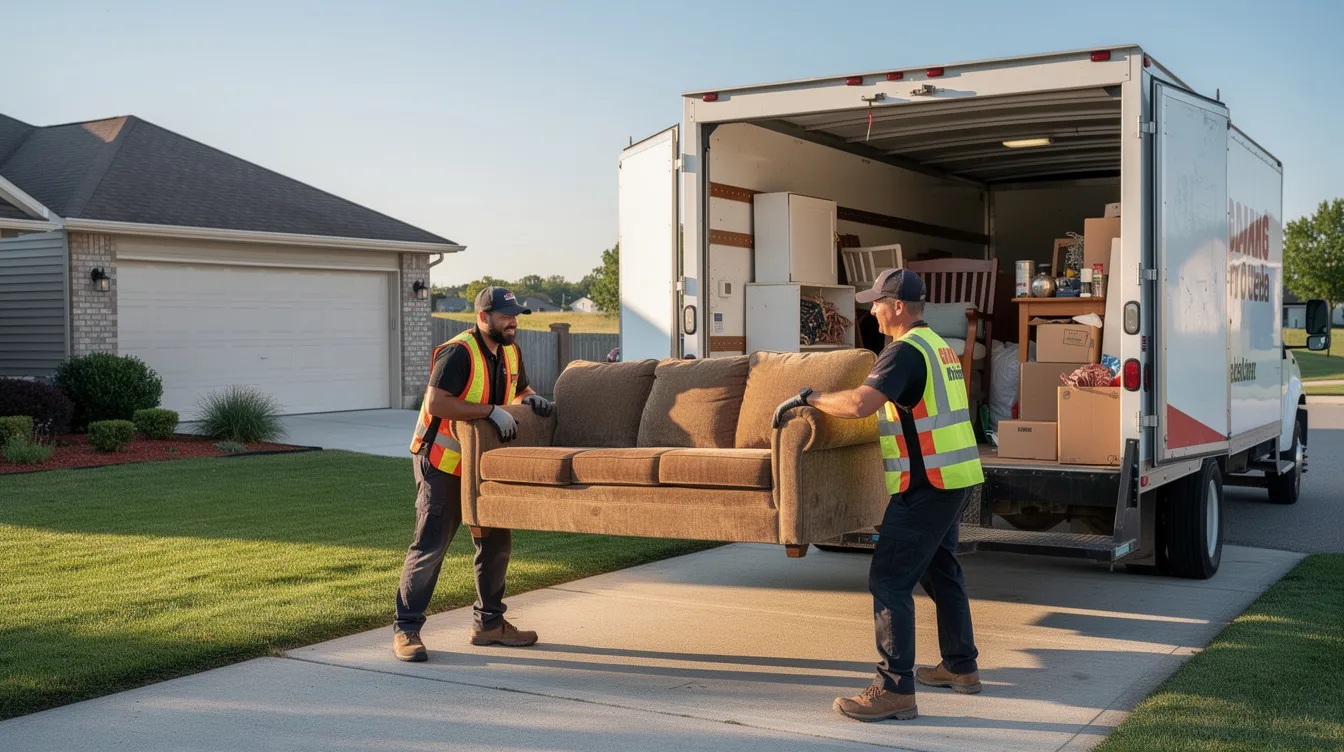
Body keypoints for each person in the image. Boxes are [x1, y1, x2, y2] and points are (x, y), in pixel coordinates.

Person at [773, 268, 985, 722]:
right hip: (955, 477)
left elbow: (858, 406)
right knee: (941, 569)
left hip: (927, 484)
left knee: (889, 579)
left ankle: (894, 690)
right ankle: (960, 666)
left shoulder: (903, 352)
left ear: (899, 308)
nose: (871, 310)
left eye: (877, 303)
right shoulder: (940, 346)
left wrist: (808, 398)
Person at [394, 286, 553, 662]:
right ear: (483, 318)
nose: (513, 322)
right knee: (431, 545)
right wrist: (488, 411)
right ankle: (406, 629)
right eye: (505, 316)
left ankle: (489, 625)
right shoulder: (458, 352)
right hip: (442, 464)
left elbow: (517, 388)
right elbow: (436, 402)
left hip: (483, 464)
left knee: (496, 542)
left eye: (515, 315)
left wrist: (528, 398)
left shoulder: (510, 349)